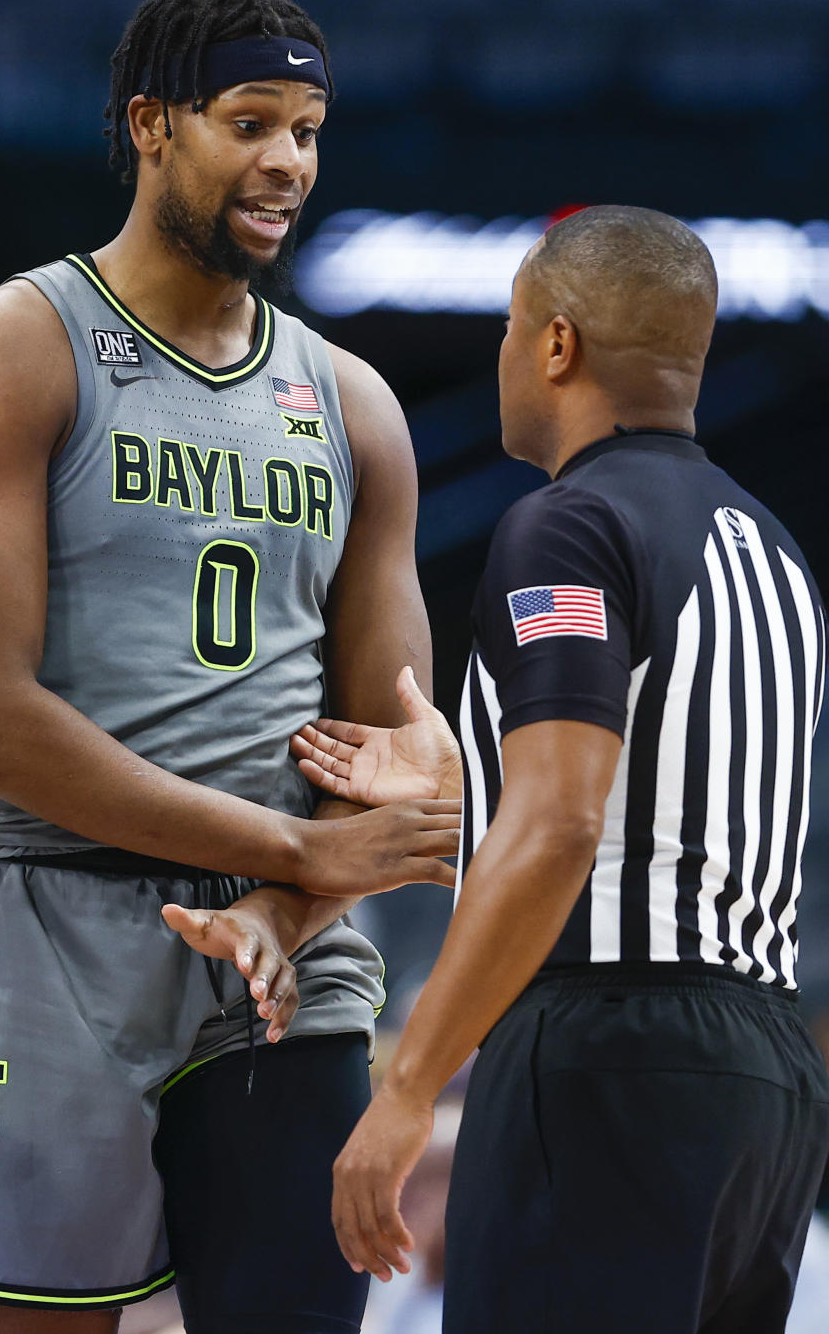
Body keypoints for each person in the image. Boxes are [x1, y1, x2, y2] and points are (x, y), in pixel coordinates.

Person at [0, 0, 460, 1334]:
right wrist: (300, 852)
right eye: (252, 120)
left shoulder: (352, 404)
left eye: (310, 129)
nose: (289, 161)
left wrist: (291, 892)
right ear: (152, 126)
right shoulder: (13, 346)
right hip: (43, 917)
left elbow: (389, 748)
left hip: (288, 960)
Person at [296, 206, 829, 1333]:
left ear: (556, 344)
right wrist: (468, 790)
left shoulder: (568, 526)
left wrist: (405, 1092)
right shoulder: (773, 550)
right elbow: (668, 817)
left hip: (605, 1058)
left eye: (507, 325)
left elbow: (563, 829)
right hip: (768, 1076)